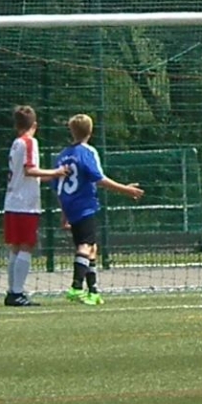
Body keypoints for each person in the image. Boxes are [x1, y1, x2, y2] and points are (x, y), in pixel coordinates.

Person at [54, 114, 144, 306]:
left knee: (92, 247)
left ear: (71, 131)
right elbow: (99, 178)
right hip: (84, 205)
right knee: (85, 246)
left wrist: (64, 213)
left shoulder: (62, 155)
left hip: (70, 204)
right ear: (90, 131)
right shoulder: (87, 152)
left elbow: (58, 186)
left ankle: (93, 291)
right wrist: (126, 189)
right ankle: (76, 287)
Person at [3, 106, 68, 306]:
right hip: (25, 203)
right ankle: (17, 292)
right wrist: (56, 172)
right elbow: (30, 170)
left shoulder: (16, 143)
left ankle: (12, 291)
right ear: (35, 125)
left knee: (15, 247)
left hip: (12, 201)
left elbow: (27, 175)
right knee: (26, 245)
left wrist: (51, 175)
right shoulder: (30, 142)